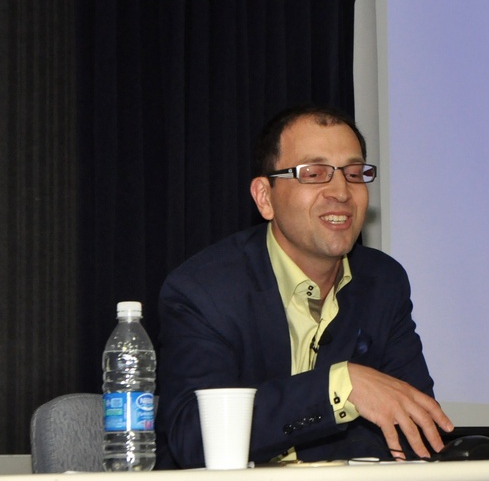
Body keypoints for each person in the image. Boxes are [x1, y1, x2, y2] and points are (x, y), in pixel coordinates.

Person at [156, 103, 453, 468]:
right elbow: (194, 437)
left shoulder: (383, 282)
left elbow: (416, 428)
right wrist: (339, 387)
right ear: (265, 197)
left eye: (355, 173)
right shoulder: (204, 290)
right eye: (314, 174)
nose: (342, 192)